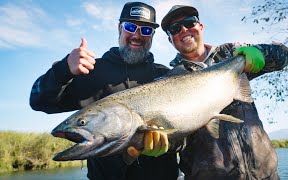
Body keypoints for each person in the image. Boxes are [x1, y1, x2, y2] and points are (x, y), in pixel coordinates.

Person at [29, 2, 179, 180]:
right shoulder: (91, 71)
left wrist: (171, 144)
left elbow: (188, 128)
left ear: (152, 35)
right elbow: (39, 102)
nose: (137, 35)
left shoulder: (166, 76)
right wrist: (63, 70)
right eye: (130, 27)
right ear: (119, 28)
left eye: (146, 30)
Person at [160, 5, 288, 180]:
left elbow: (284, 56)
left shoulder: (231, 52)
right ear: (170, 39)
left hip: (265, 175)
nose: (184, 30)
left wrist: (261, 53)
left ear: (200, 26)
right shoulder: (168, 82)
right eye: (175, 29)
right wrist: (164, 142)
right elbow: (177, 141)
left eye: (189, 23)